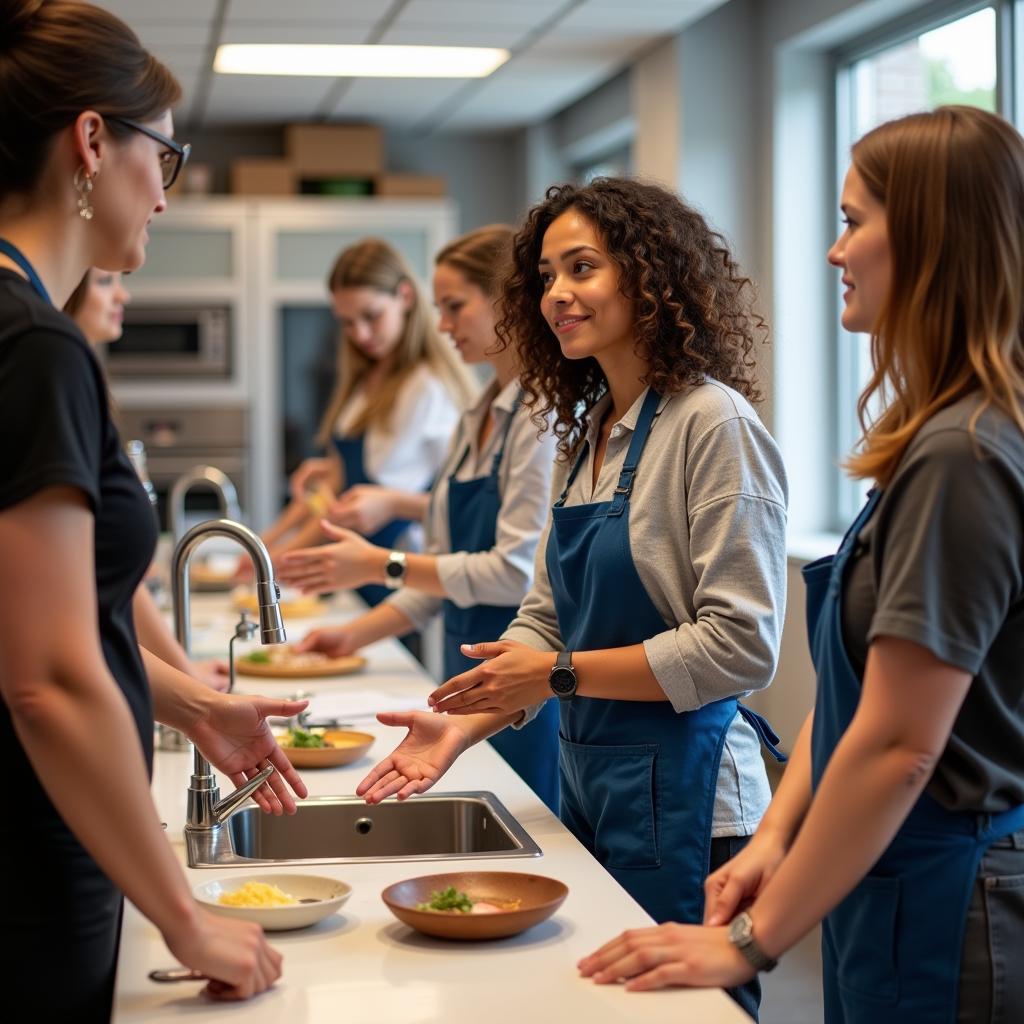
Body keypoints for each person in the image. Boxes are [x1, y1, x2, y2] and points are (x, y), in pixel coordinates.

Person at [576, 106, 1024, 1024]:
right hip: (884, 875)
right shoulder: (934, 442)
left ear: (935, 238)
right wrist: (776, 836)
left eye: (855, 221)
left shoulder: (966, 455)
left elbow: (901, 744)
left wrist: (748, 941)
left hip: (950, 886)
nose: (834, 251)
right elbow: (858, 695)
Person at [357, 178, 789, 1019]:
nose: (558, 294)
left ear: (649, 274)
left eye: (582, 268)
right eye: (547, 276)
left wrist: (554, 676)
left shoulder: (714, 423)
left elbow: (740, 645)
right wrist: (462, 721)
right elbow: (544, 617)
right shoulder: (589, 432)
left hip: (696, 804)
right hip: (594, 778)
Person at [0, 1, 310, 1015]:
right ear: (92, 140)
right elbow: (44, 676)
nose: (164, 200)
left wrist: (193, 705)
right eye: (163, 161)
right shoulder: (37, 347)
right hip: (36, 857)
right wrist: (183, 912)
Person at [277, 226, 561, 811]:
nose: (444, 325)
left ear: (508, 299)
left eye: (455, 307)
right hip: (464, 675)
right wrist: (347, 636)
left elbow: (512, 575)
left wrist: (384, 562)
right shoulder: (475, 417)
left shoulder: (540, 420)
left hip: (520, 690)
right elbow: (429, 586)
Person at [258, 237, 477, 608]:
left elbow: (461, 502)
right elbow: (338, 484)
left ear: (405, 298)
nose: (360, 334)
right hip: (354, 569)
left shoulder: (426, 389)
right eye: (347, 323)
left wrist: (277, 561)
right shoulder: (368, 378)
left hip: (395, 573)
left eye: (371, 316)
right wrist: (267, 543)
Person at [65, 268, 229, 690]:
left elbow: (118, 581)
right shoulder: (57, 381)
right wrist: (189, 684)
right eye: (104, 282)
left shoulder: (81, 379)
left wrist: (188, 680)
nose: (124, 295)